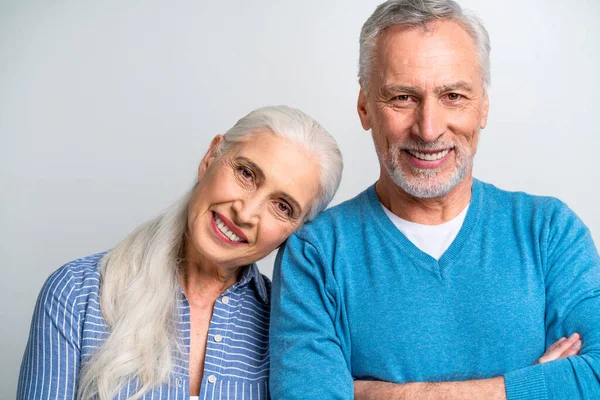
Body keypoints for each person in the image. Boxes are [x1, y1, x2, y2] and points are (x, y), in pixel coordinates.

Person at [269, 1, 600, 399]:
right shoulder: (316, 255)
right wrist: (534, 387)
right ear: (364, 108)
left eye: (454, 96)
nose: (428, 130)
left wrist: (378, 394)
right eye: (403, 97)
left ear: (484, 106)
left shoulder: (549, 232)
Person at [17, 105, 343, 400]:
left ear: (298, 230)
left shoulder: (294, 327)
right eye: (246, 174)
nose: (245, 214)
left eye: (282, 206)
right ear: (211, 157)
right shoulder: (76, 294)